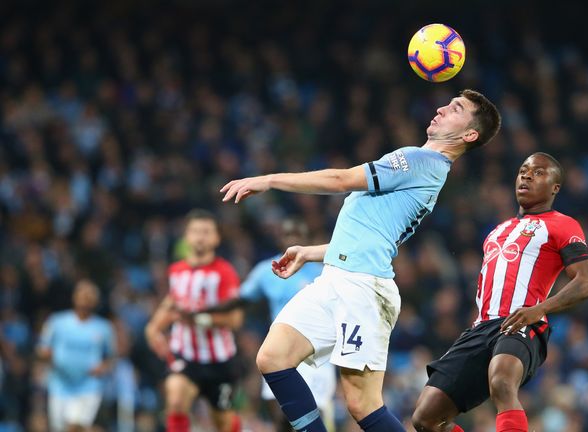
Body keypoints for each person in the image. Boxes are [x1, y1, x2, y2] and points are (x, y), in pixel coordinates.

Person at [220, 89, 501, 432]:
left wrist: (269, 179)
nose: (441, 109)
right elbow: (371, 237)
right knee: (272, 358)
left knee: (362, 405)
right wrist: (309, 252)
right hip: (338, 277)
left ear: (470, 134)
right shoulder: (426, 171)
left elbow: (341, 179)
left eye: (455, 108)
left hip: (364, 290)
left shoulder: (419, 160)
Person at [410, 152, 588, 432]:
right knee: (425, 419)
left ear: (555, 187)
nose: (527, 175)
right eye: (523, 170)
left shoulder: (562, 224)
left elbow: (586, 282)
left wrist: (539, 310)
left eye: (538, 172)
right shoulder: (497, 230)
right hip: (480, 328)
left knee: (501, 382)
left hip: (522, 321)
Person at [184, 219, 336, 431]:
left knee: (311, 419)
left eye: (298, 234)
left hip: (316, 356)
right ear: (280, 238)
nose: (292, 239)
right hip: (281, 353)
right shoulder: (268, 270)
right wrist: (205, 309)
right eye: (287, 234)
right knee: (282, 420)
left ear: (307, 240)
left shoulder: (324, 272)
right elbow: (240, 299)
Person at [144, 209, 243, 432]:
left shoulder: (224, 272)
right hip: (186, 356)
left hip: (220, 361)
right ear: (186, 236)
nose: (200, 237)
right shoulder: (176, 271)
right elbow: (172, 302)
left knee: (224, 423)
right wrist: (153, 328)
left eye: (206, 232)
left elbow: (235, 319)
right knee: (176, 399)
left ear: (217, 238)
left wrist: (200, 319)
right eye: (195, 231)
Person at [38, 279, 116, 432]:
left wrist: (103, 367)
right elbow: (43, 348)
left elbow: (111, 357)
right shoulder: (57, 322)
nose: (86, 298)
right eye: (83, 294)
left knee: (75, 426)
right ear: (74, 297)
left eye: (90, 295)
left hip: (88, 385)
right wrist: (47, 356)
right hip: (60, 384)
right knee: (59, 427)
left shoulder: (104, 328)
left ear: (96, 301)